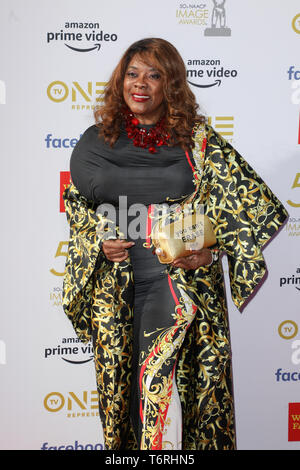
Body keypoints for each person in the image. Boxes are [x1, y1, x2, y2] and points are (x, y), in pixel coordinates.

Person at [62, 38, 288, 451]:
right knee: (120, 395)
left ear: (171, 84)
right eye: (132, 73)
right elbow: (77, 203)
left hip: (184, 282)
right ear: (121, 80)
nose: (140, 84)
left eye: (154, 74)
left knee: (195, 396)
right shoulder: (96, 139)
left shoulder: (197, 140)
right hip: (117, 288)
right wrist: (98, 239)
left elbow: (246, 202)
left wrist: (213, 249)